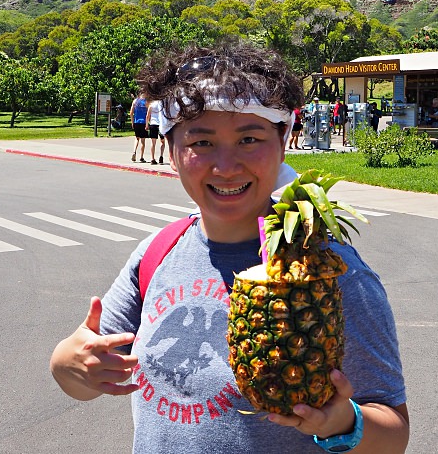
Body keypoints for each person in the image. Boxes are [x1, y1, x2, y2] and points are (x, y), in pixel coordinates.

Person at [49, 40, 410, 453]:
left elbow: (394, 435)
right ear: (170, 150)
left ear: (283, 141)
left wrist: (344, 423)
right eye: (201, 143)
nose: (225, 165)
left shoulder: (328, 268)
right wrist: (68, 364)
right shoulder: (158, 252)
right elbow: (81, 372)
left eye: (249, 139)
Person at [130, 94, 149, 162]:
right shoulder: (146, 102)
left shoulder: (135, 101)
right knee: (143, 141)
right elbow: (148, 114)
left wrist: (132, 122)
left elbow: (131, 113)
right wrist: (147, 124)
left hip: (136, 122)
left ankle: (134, 151)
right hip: (143, 122)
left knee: (137, 138)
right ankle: (141, 157)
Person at [148, 98, 163, 164]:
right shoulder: (161, 104)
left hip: (153, 124)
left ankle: (152, 158)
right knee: (162, 142)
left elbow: (147, 116)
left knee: (153, 143)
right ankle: (161, 156)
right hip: (160, 125)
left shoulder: (151, 105)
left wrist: (147, 124)